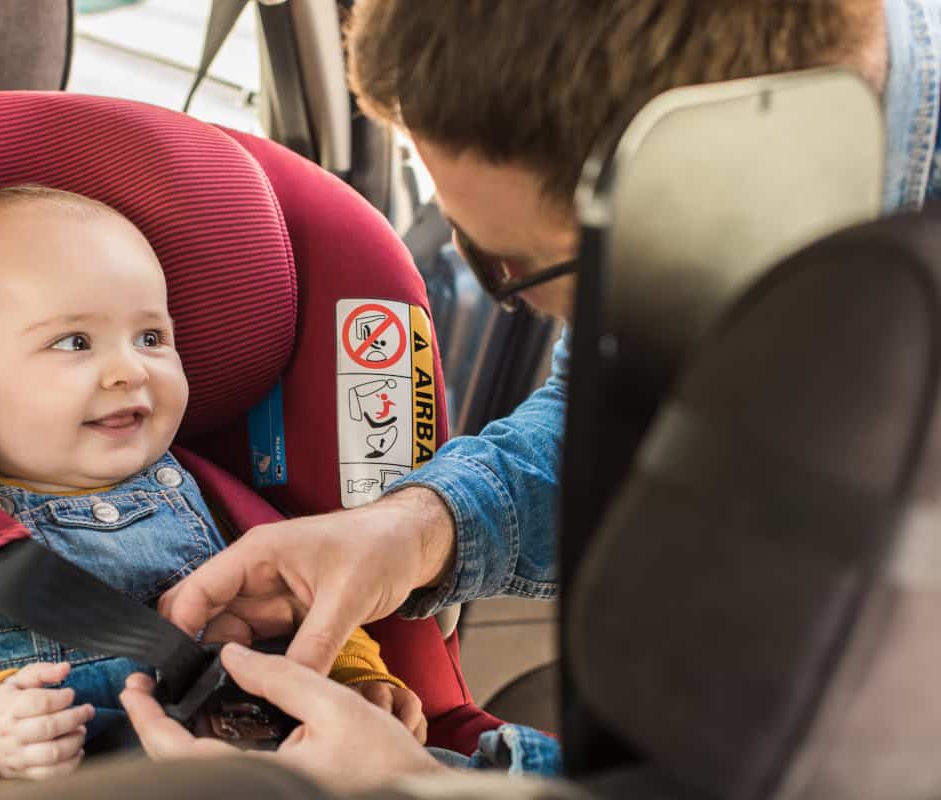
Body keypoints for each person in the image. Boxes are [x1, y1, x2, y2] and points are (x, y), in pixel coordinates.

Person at [121, 0, 941, 790]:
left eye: (515, 264)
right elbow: (613, 414)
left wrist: (421, 792)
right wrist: (411, 529)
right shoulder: (693, 185)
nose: (515, 299)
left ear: (726, 164)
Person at [0, 184, 425, 784]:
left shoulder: (211, 498)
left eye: (151, 338)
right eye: (74, 342)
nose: (129, 370)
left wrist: (356, 676)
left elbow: (304, 598)